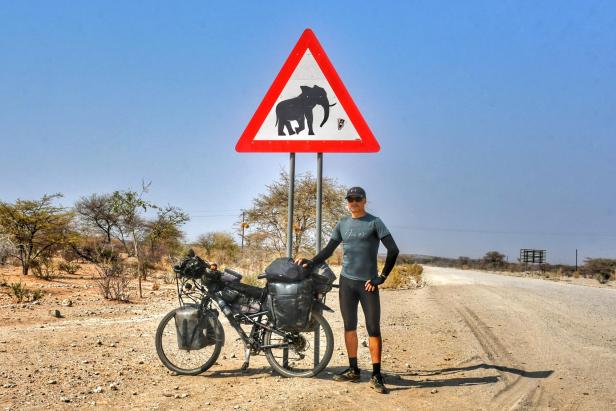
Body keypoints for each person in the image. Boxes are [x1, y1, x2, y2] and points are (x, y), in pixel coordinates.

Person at [295, 186, 399, 394]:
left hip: (367, 284)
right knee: (349, 326)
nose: (354, 202)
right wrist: (311, 261)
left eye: (357, 199)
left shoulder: (374, 222)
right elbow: (328, 250)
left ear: (364, 201)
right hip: (347, 283)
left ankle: (376, 375)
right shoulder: (343, 223)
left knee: (373, 328)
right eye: (350, 199)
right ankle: (353, 369)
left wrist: (381, 277)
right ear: (347, 202)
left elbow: (393, 250)